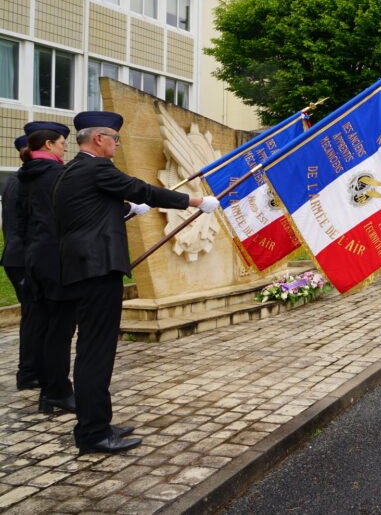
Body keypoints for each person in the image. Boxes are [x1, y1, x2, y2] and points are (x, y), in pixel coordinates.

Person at [52, 111, 220, 454]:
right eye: (115, 138)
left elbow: (88, 214)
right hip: (97, 271)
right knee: (95, 353)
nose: (117, 144)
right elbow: (141, 188)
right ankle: (92, 433)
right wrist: (196, 201)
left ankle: (97, 421)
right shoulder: (96, 168)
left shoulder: (71, 171)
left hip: (83, 268)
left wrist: (125, 210)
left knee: (92, 349)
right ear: (99, 139)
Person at [16, 123, 78, 416]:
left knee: (42, 327)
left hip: (35, 258)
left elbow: (22, 223)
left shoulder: (24, 175)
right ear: (50, 144)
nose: (66, 147)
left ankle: (47, 390)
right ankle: (57, 392)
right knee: (60, 330)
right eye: (63, 143)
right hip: (57, 260)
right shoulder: (57, 174)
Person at [2, 135, 39, 390]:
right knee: (34, 317)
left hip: (16, 256)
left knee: (32, 316)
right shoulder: (25, 180)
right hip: (26, 258)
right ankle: (28, 374)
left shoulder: (15, 179)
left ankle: (29, 372)